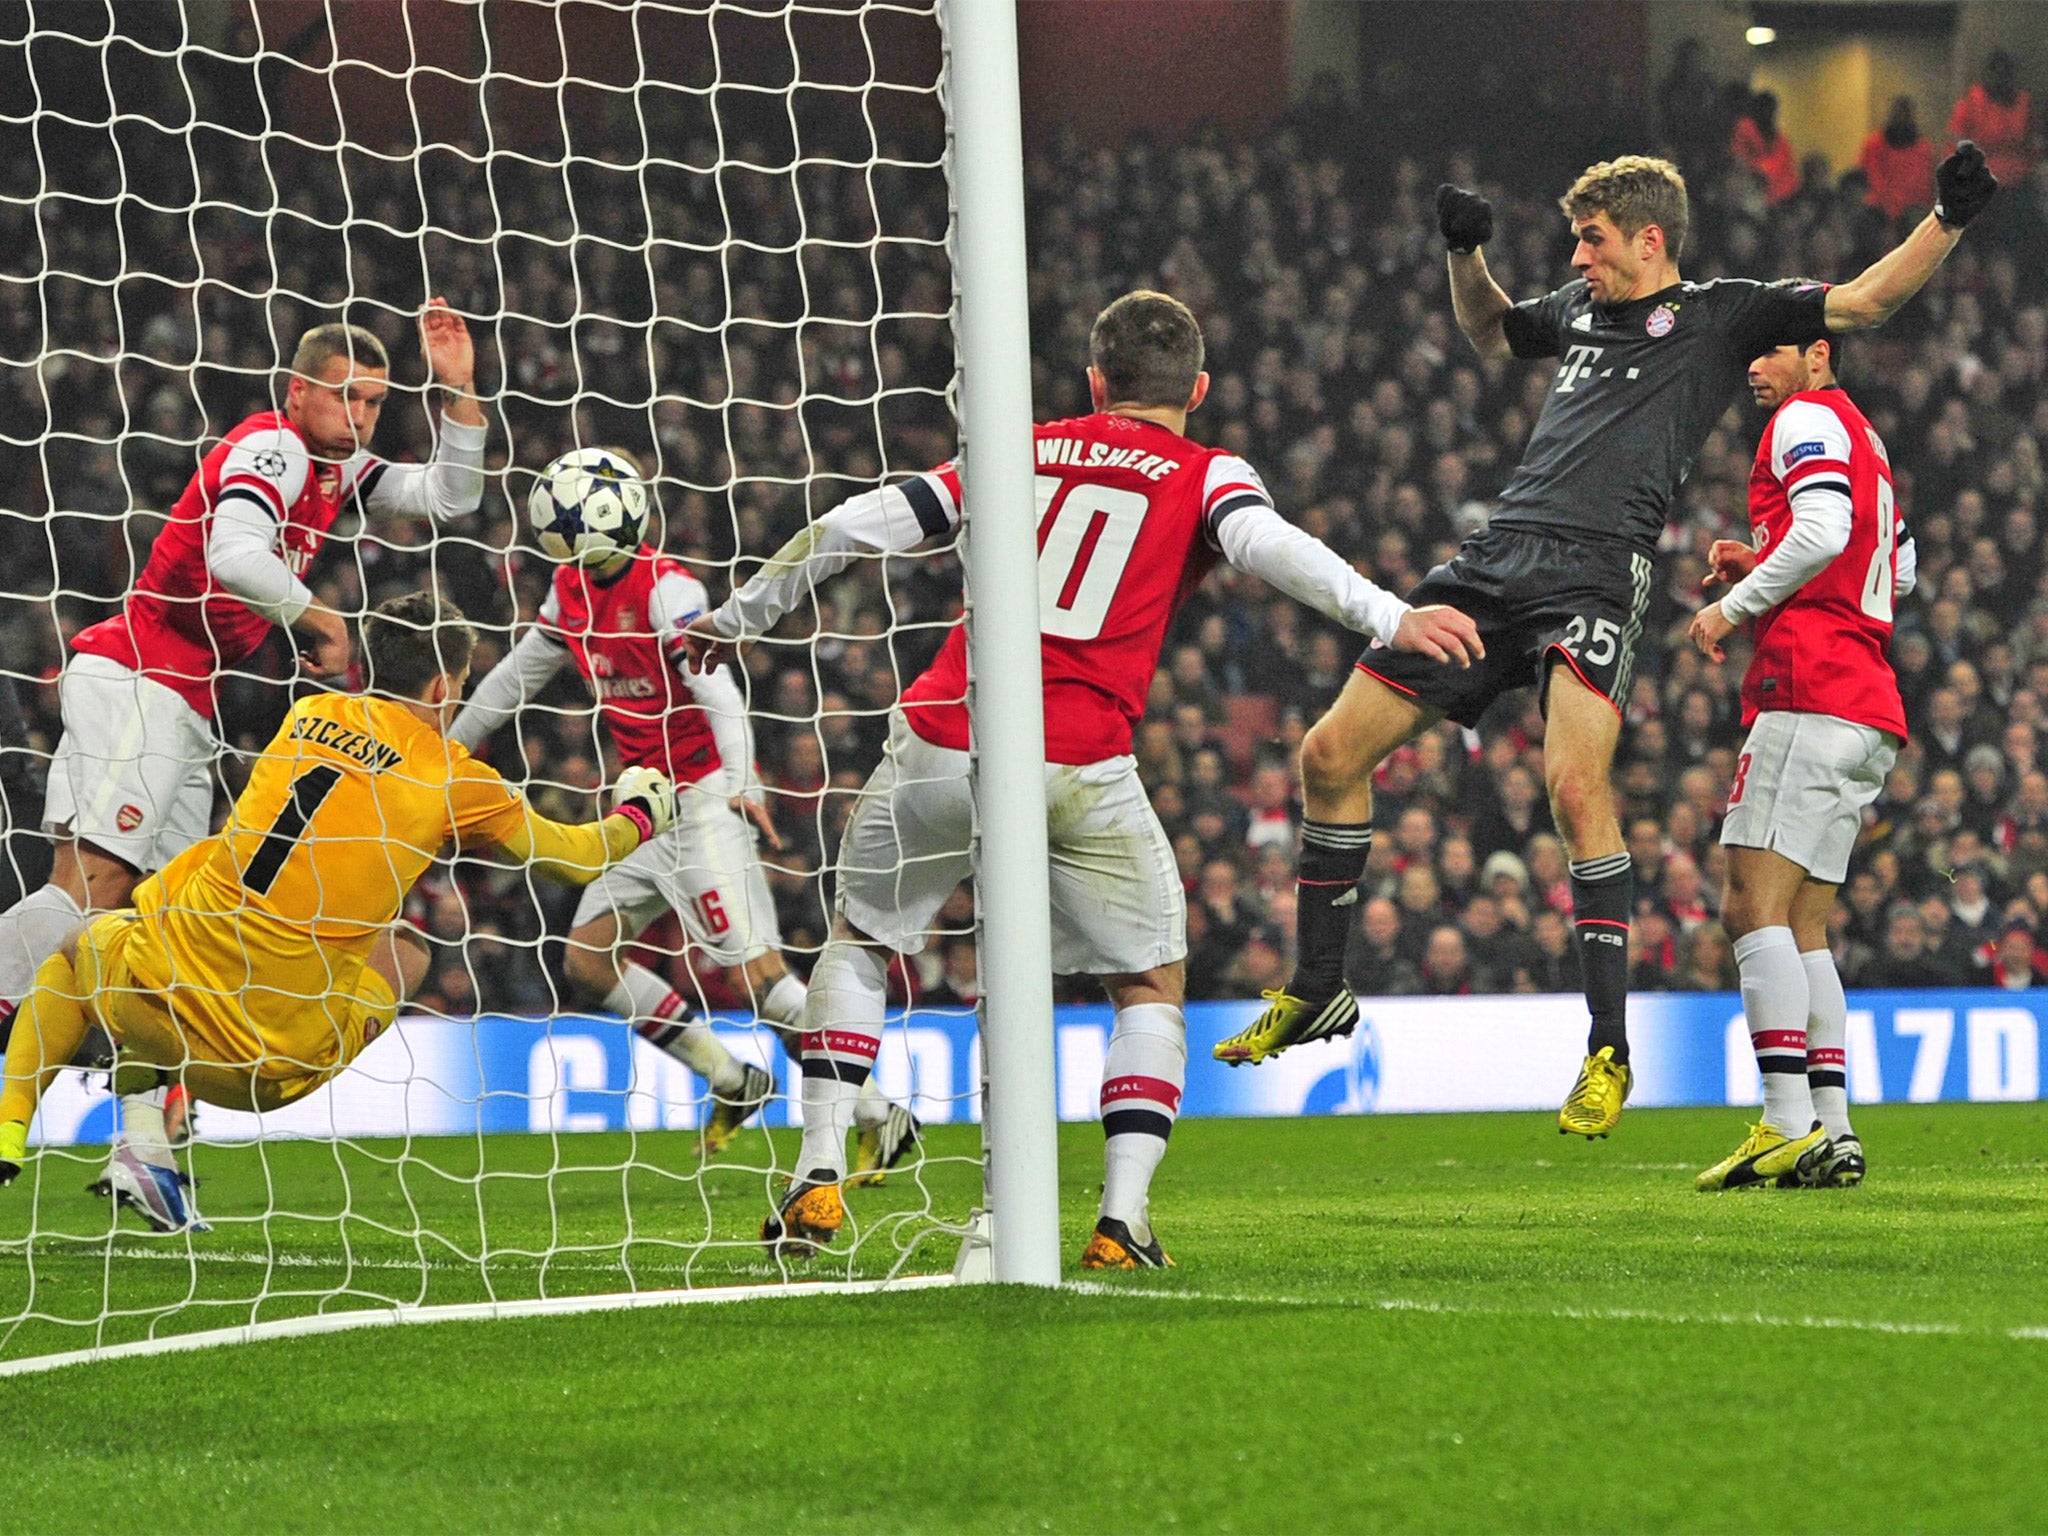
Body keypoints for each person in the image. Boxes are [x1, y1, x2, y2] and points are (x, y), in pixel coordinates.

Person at [1215, 144, 2000, 1139]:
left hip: (1596, 568)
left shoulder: (1723, 313)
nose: (1576, 259)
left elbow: (1863, 303)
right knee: (1327, 755)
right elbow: (1490, 330)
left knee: (1573, 790)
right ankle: (1319, 985)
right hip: (1496, 557)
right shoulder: (1575, 311)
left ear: (1647, 239)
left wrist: (1945, 219)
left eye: (1589, 241)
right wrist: (1464, 254)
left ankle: (1606, 1051)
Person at [684, 290, 1478, 1268]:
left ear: (1096, 382)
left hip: (942, 737)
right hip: (1077, 757)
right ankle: (1119, 1221)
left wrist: (739, 618)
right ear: (1197, 389)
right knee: (1147, 981)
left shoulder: (1018, 448)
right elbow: (1266, 545)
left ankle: (816, 1174)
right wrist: (1388, 615)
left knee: (860, 942)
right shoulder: (1206, 471)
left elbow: (853, 524)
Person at [0, 594, 678, 1231]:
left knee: (82, 939)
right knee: (407, 950)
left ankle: (10, 1127)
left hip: (157, 1002)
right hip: (263, 1069)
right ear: (441, 689)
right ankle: (154, 1129)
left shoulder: (306, 716)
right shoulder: (454, 777)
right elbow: (578, 859)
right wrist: (640, 814)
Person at [0, 306, 487, 1177]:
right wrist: (318, 616)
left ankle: (142, 1148)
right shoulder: (274, 447)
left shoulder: (336, 469)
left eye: (375, 402)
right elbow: (231, 554)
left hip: (184, 700)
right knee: (93, 887)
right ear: (298, 392)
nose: (361, 416)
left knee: (156, 931)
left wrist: (459, 393)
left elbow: (451, 498)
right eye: (344, 396)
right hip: (139, 675)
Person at [448, 450, 919, 1175]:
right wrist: (447, 751)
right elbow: (512, 679)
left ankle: (881, 1115)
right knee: (588, 959)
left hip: (701, 803)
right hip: (644, 806)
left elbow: (717, 688)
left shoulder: (667, 590)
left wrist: (743, 779)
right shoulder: (568, 592)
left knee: (762, 981)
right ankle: (731, 1079)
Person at [1688, 333, 1917, 1190]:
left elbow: (1822, 530)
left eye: (1771, 350)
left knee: (1751, 907)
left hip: (1811, 688)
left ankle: (1784, 1122)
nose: (1753, 366)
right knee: (1803, 924)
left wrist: (1737, 605)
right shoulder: (1865, 435)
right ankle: (1833, 1130)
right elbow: (1896, 567)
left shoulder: (1802, 416)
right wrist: (1766, 562)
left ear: (1818, 354)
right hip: (1866, 702)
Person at [1949, 51, 2036, 188]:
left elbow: (2032, 142)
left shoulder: (2023, 103)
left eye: (2005, 74)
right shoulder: (1971, 102)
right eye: (1996, 73)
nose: (2000, 79)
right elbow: (1956, 141)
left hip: (2018, 181)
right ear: (1987, 75)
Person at [1859, 97, 1937, 223]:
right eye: (1898, 114)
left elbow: (1927, 187)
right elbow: (1867, 181)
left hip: (1914, 217)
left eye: (1905, 115)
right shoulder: (1873, 146)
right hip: (1879, 216)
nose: (1901, 119)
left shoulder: (1924, 149)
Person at [1731, 91, 1799, 204]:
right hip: (1753, 191)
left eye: (1770, 110)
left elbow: (1784, 161)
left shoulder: (1778, 138)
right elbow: (1739, 156)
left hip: (1782, 195)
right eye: (1763, 109)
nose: (1767, 114)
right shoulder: (1744, 128)